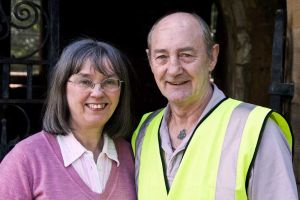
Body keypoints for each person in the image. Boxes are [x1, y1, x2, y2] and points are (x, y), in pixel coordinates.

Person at [132, 12, 298, 200]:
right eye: (162, 57)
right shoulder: (144, 130)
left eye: (186, 55)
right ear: (150, 61)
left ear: (212, 57)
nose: (174, 69)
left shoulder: (257, 129)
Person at [0, 38, 137, 199]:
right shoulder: (25, 159)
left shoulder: (130, 155)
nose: (98, 93)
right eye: (85, 81)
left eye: (110, 82)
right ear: (62, 88)